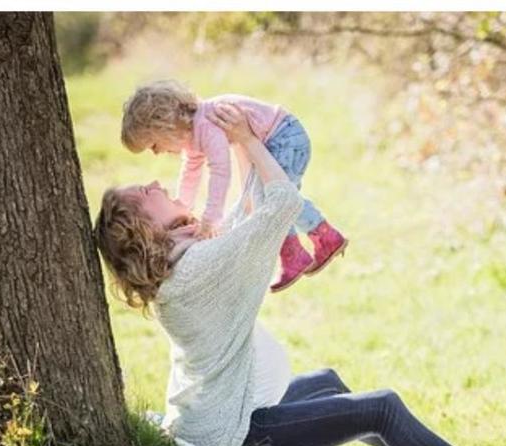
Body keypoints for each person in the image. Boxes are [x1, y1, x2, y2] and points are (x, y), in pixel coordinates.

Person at [95, 103, 506, 446]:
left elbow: (243, 217)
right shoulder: (200, 268)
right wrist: (249, 140)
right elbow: (281, 204)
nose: (156, 181)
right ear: (143, 227)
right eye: (144, 192)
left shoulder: (183, 263)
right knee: (380, 407)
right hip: (232, 434)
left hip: (213, 415)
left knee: (328, 383)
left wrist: (242, 143)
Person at [120, 79, 347, 292]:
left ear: (163, 126)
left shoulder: (206, 124)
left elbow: (221, 171)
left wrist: (211, 218)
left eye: (153, 145)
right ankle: (305, 247)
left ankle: (308, 245)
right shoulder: (193, 134)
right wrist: (183, 206)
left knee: (275, 198)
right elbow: (190, 172)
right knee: (270, 199)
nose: (157, 153)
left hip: (285, 137)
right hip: (279, 139)